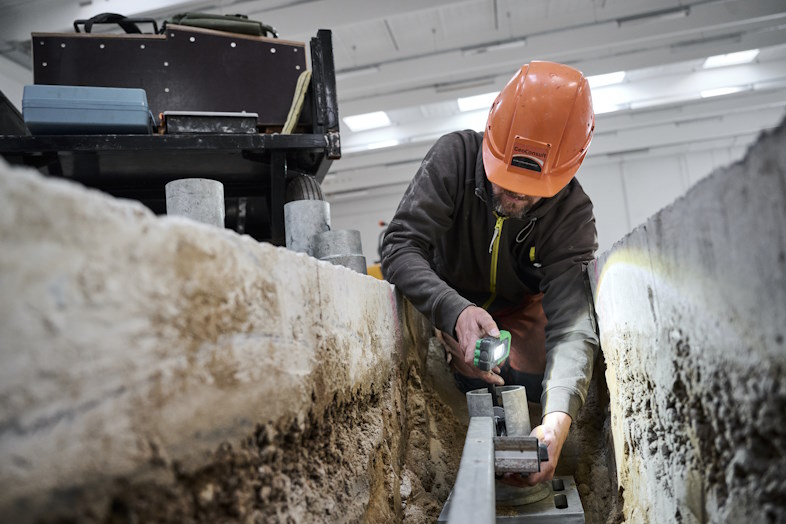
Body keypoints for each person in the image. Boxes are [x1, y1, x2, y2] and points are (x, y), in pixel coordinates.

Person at [380, 61, 598, 485]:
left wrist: (556, 423)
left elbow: (573, 327)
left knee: (537, 379)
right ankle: (460, 372)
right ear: (491, 144)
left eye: (529, 193)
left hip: (522, 308)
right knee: (469, 374)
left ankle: (530, 403)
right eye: (505, 181)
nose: (514, 195)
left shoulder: (571, 214)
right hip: (455, 300)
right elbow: (400, 245)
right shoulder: (454, 160)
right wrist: (454, 312)